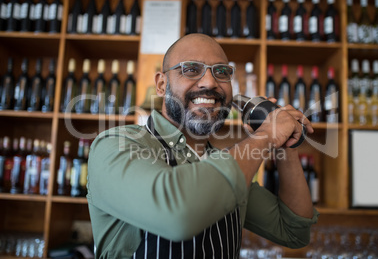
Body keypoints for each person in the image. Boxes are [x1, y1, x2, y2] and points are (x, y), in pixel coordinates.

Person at [87, 33, 319, 258]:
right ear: (161, 84)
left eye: (221, 72)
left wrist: (284, 145)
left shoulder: (228, 162)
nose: (210, 82)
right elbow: (177, 214)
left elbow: (294, 233)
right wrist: (268, 135)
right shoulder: (116, 146)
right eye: (191, 69)